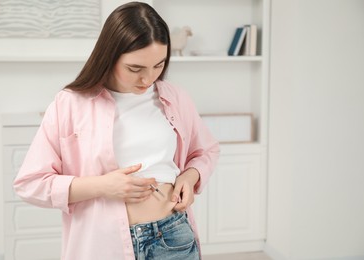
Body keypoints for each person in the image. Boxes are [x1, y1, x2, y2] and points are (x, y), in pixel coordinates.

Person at [13, 2, 219, 260]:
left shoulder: (175, 97)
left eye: (158, 65)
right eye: (135, 69)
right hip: (102, 246)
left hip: (173, 237)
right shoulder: (70, 104)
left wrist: (189, 177)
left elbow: (206, 150)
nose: (148, 79)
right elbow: (30, 183)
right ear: (110, 56)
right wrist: (102, 186)